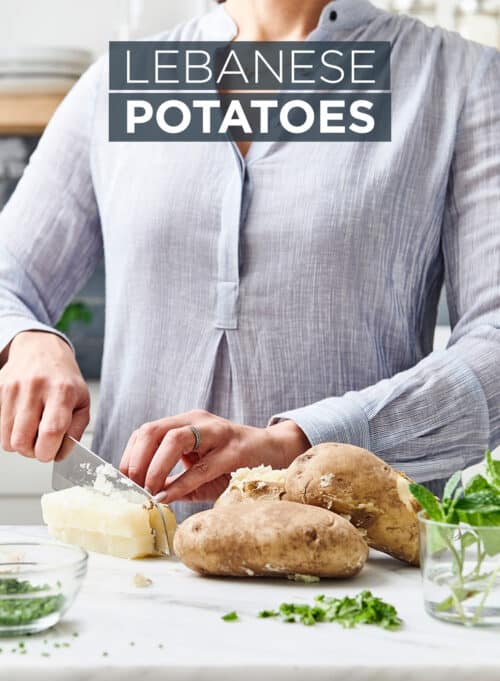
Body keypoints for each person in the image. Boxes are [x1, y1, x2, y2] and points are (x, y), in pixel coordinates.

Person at [0, 0, 499, 521]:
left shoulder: (459, 82)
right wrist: (26, 340)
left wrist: (304, 442)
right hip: (132, 568)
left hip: (358, 569)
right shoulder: (121, 83)